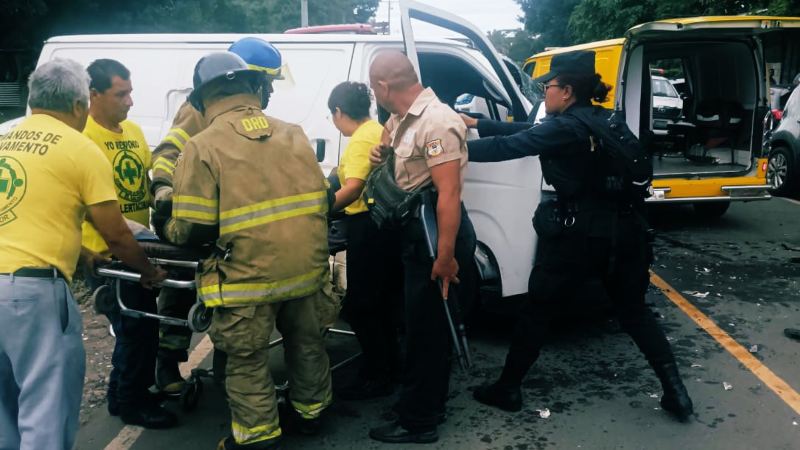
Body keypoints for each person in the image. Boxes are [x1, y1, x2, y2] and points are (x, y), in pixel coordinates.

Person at [465, 50, 694, 422]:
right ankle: (676, 392)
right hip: (628, 231)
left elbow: (509, 147)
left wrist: (440, 150)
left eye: (548, 88)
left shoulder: (565, 127)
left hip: (581, 233)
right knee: (635, 312)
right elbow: (529, 132)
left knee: (538, 309)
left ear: (567, 91)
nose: (544, 95)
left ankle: (508, 387)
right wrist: (477, 122)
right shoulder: (607, 119)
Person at [163, 51, 332, 449]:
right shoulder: (294, 133)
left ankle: (258, 437)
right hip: (306, 272)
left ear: (202, 97)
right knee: (307, 345)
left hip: (246, 280)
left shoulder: (202, 146)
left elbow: (194, 229)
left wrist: (165, 220)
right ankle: (312, 413)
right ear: (253, 87)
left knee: (247, 359)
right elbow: (322, 199)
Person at [0, 58, 166, 450]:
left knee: (5, 411)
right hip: (33, 296)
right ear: (79, 105)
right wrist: (148, 271)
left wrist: (82, 255)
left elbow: (26, 218)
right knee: (46, 409)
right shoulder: (81, 148)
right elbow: (118, 236)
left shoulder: (4, 139)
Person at [149, 37, 284, 395]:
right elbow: (167, 152)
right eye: (267, 81)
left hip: (232, 223)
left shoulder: (251, 112)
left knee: (237, 303)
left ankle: (231, 371)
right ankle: (167, 362)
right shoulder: (199, 110)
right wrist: (164, 194)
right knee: (180, 291)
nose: (270, 90)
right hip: (198, 216)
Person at [366, 51, 477, 444]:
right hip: (418, 235)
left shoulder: (436, 121)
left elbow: (449, 194)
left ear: (383, 86)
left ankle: (419, 422)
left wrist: (445, 260)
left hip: (436, 237)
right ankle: (420, 403)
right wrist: (380, 151)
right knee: (419, 326)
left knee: (429, 333)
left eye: (372, 86)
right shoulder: (401, 117)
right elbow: (394, 151)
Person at [80, 58, 177, 429]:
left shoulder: (134, 132)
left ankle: (123, 396)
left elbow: (145, 189)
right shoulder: (83, 139)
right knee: (134, 328)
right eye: (122, 94)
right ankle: (132, 402)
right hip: (109, 253)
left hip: (139, 248)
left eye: (131, 92)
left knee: (138, 327)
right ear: (94, 95)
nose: (130, 101)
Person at [326, 81, 403, 400]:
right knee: (385, 302)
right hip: (387, 225)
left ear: (339, 112)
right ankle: (392, 367)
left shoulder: (359, 140)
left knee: (360, 306)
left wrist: (318, 209)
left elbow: (354, 188)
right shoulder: (377, 129)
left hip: (366, 228)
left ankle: (376, 373)